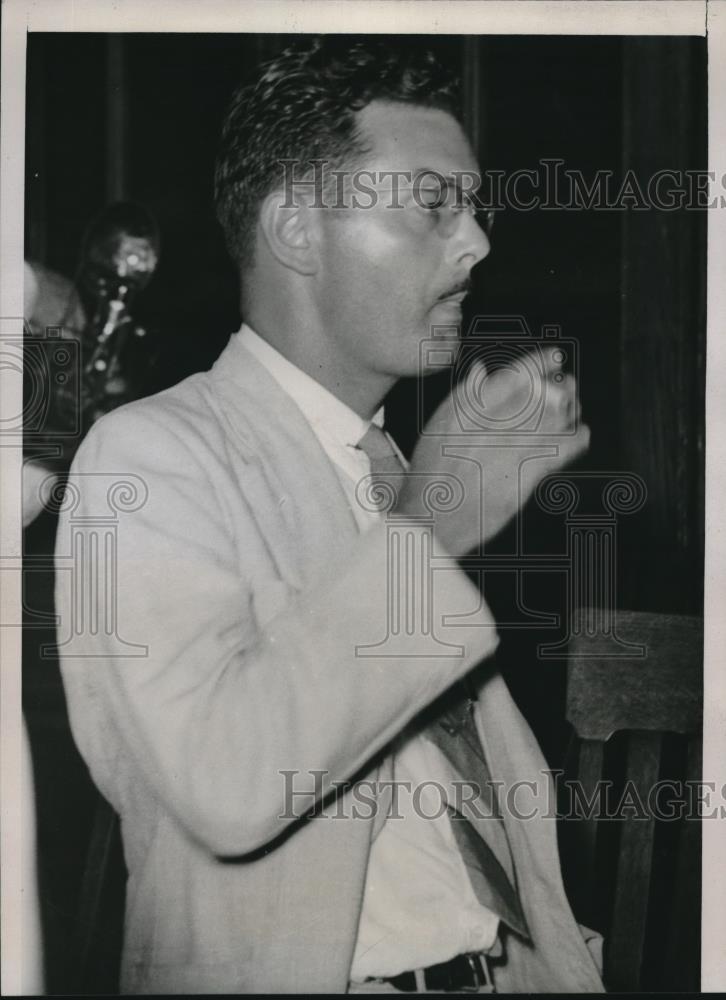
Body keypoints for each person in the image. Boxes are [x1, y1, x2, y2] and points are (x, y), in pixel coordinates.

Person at [56, 38, 603, 994]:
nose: (477, 240)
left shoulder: (388, 465)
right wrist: (428, 532)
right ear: (298, 229)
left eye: (470, 208)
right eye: (435, 204)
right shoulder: (143, 461)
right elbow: (230, 785)